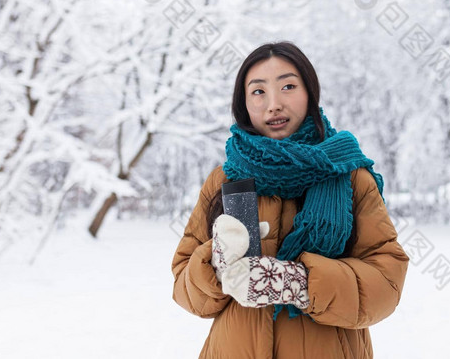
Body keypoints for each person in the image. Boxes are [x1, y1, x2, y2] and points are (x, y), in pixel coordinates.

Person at [171, 41, 409, 358]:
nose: (274, 104)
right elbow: (185, 288)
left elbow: (387, 282)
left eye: (288, 86)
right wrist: (215, 265)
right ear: (243, 103)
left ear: (310, 92)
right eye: (258, 91)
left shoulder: (350, 176)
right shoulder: (225, 179)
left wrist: (298, 283)